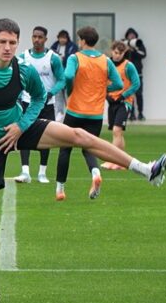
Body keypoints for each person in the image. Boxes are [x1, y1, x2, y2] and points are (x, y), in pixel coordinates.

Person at [0, 18, 166, 303]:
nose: (7, 47)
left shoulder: (23, 70)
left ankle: (146, 169)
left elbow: (39, 97)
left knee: (79, 135)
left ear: (17, 44)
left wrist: (21, 125)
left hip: (16, 131)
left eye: (12, 42)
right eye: (2, 41)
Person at [56, 26, 127, 201]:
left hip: (75, 111)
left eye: (79, 39)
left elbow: (67, 75)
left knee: (65, 149)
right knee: (89, 148)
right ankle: (95, 173)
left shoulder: (75, 57)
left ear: (83, 41)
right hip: (95, 114)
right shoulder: (105, 60)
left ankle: (60, 190)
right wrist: (102, 90)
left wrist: (72, 90)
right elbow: (118, 84)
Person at [14, 26, 65, 184]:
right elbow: (17, 78)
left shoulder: (53, 58)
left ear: (45, 39)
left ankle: (42, 172)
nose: (37, 40)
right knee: (23, 134)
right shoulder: (23, 57)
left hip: (47, 104)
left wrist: (52, 92)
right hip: (27, 102)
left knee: (46, 135)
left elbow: (62, 80)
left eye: (40, 37)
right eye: (34, 36)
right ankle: (25, 172)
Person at [100, 41, 141, 170]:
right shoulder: (107, 64)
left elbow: (136, 83)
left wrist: (123, 96)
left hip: (124, 102)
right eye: (116, 52)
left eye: (121, 53)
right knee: (117, 133)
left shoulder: (129, 66)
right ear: (112, 51)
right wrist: (107, 96)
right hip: (112, 102)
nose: (118, 55)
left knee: (117, 131)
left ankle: (111, 160)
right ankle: (122, 163)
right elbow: (103, 83)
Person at [49, 29, 78, 121]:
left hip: (67, 74)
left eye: (64, 38)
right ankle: (59, 115)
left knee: (68, 96)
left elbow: (72, 58)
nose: (62, 40)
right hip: (57, 75)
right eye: (61, 38)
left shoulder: (72, 46)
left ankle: (69, 114)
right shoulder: (54, 46)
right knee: (58, 97)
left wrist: (64, 58)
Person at [123, 28, 147, 120]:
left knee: (139, 94)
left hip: (138, 73)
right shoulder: (124, 44)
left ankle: (140, 113)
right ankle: (131, 114)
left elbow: (143, 54)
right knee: (129, 94)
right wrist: (126, 49)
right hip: (127, 75)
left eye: (133, 35)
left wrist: (134, 50)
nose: (131, 36)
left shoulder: (139, 43)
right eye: (130, 35)